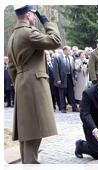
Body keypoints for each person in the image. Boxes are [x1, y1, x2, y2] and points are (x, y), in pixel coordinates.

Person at [7, 5, 61, 169]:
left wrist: (20, 84)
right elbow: (55, 41)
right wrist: (48, 23)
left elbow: (11, 67)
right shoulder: (29, 33)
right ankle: (32, 167)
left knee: (27, 129)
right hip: (33, 83)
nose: (36, 18)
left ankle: (29, 165)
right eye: (35, 16)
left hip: (23, 82)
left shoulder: (13, 36)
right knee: (33, 130)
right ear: (29, 15)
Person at [53, 46, 78, 113]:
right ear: (65, 50)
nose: (70, 52)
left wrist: (75, 77)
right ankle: (63, 107)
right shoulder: (58, 58)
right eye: (69, 50)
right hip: (62, 78)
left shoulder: (71, 58)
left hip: (70, 77)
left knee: (71, 93)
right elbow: (56, 70)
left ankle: (74, 107)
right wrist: (58, 78)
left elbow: (74, 69)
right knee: (62, 93)